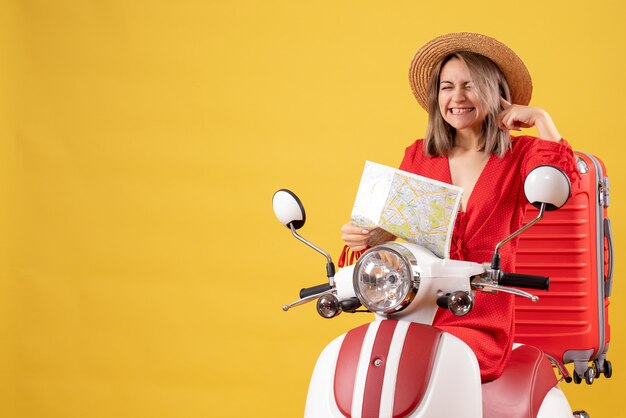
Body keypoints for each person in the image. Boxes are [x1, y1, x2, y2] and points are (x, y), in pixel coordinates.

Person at [340, 32, 579, 382]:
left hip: (480, 316)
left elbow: (561, 183)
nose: (457, 97)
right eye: (447, 86)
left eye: (470, 85)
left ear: (496, 94)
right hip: (416, 306)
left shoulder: (521, 156)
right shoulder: (419, 154)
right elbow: (395, 230)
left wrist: (541, 118)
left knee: (436, 362)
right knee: (369, 360)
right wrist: (365, 236)